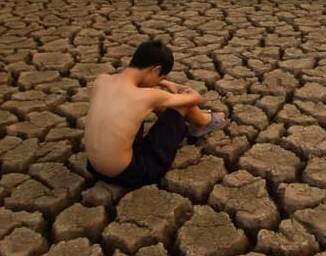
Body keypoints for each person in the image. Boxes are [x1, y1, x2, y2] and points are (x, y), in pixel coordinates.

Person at [84, 40, 227, 188]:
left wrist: (162, 81)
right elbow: (195, 98)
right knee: (182, 105)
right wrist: (171, 85)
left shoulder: (102, 80)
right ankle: (205, 122)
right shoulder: (148, 96)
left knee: (153, 104)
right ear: (155, 69)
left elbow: (140, 92)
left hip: (94, 168)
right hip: (130, 173)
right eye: (161, 77)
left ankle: (189, 122)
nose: (160, 82)